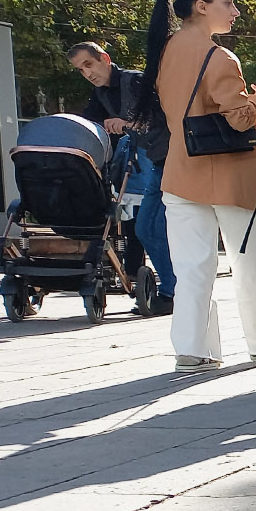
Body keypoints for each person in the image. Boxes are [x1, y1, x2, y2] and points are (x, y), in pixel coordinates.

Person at [137, 0, 256, 372]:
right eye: (227, 2)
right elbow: (238, 118)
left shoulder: (164, 51)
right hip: (231, 175)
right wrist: (255, 99)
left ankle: (193, 348)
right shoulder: (219, 57)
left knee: (191, 269)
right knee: (247, 265)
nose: (234, 11)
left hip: (181, 172)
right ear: (201, 7)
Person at [69, 41, 175, 314]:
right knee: (144, 228)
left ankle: (173, 293)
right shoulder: (100, 94)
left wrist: (126, 125)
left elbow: (165, 118)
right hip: (156, 163)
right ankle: (170, 292)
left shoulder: (136, 81)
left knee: (155, 227)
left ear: (104, 58)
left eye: (89, 64)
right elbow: (87, 125)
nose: (87, 73)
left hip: (174, 160)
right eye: (80, 70)